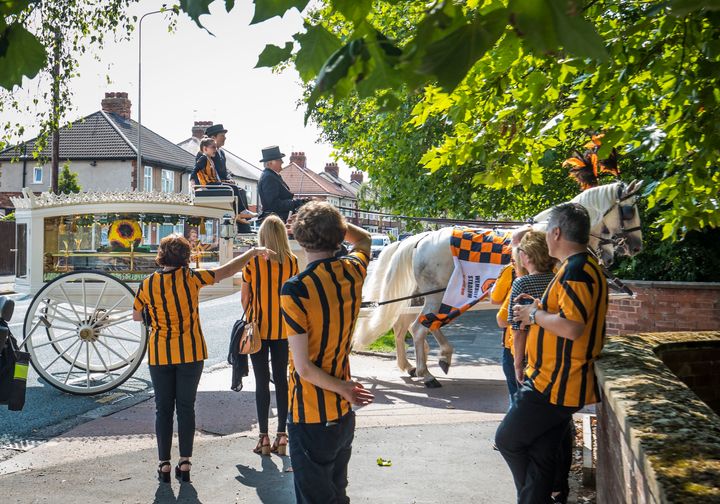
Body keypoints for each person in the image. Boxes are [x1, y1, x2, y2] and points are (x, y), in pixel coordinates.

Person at [132, 234, 273, 483]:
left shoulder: (146, 285)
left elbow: (136, 316)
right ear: (186, 257)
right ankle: (185, 463)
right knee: (186, 408)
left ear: (162, 255)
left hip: (160, 354)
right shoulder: (192, 279)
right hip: (191, 352)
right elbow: (226, 271)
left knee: (163, 410)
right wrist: (252, 253)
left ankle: (164, 465)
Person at [495, 203, 608, 504]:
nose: (545, 236)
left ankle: (530, 497)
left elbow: (572, 327)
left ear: (556, 232)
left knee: (508, 440)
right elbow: (569, 314)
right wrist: (540, 307)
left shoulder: (575, 270)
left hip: (554, 382)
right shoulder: (579, 267)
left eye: (547, 230)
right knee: (542, 451)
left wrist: (533, 315)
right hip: (556, 380)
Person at [280, 201, 375, 504]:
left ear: (297, 236)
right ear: (340, 234)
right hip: (343, 414)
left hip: (310, 413)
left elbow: (303, 367)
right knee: (337, 495)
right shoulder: (353, 270)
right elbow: (363, 240)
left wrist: (345, 388)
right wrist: (340, 227)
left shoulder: (296, 289)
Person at [241, 215, 299, 456]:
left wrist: (251, 314)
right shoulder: (292, 261)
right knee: (282, 381)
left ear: (262, 236)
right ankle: (282, 436)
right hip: (283, 328)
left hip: (258, 328)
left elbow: (245, 298)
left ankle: (263, 437)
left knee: (262, 382)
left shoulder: (253, 262)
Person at [506, 230, 556, 385]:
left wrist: (517, 364)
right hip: (557, 352)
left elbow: (518, 328)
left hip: (533, 356)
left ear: (526, 256)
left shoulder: (522, 283)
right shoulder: (558, 279)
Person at [491, 227, 530, 403]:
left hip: (514, 346)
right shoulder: (555, 275)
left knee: (517, 398)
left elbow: (497, 302)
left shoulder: (513, 275)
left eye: (513, 246)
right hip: (545, 350)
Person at [204, 123, 256, 233]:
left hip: (223, 182)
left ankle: (244, 221)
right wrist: (224, 181)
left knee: (241, 191)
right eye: (222, 135)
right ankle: (242, 216)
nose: (225, 138)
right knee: (233, 189)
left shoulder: (221, 152)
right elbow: (211, 173)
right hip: (212, 185)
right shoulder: (208, 153)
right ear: (213, 138)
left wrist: (228, 178)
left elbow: (224, 171)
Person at [257, 146, 308, 223]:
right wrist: (297, 202)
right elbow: (274, 204)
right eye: (279, 159)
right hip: (276, 221)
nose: (282, 162)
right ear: (270, 163)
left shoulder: (273, 176)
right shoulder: (269, 177)